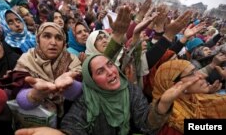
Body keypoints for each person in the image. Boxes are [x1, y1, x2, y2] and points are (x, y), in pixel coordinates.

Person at [58, 54, 198, 135]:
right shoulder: (86, 101)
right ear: (92, 81)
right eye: (100, 71)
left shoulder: (131, 90)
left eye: (110, 64)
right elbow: (72, 125)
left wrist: (163, 104)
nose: (111, 72)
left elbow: (145, 124)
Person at [11, 22, 82, 126]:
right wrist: (34, 94)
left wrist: (70, 87)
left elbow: (81, 93)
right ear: (38, 39)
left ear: (63, 42)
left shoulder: (72, 60)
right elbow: (18, 93)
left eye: (58, 38)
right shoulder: (27, 60)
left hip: (69, 121)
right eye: (46, 36)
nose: (53, 42)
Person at [153, 59, 226, 135]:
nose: (204, 75)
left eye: (196, 71)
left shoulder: (196, 98)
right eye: (192, 73)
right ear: (175, 85)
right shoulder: (174, 121)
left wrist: (209, 92)